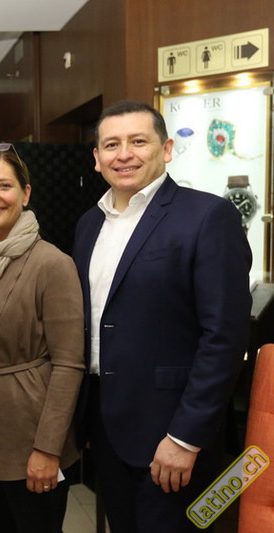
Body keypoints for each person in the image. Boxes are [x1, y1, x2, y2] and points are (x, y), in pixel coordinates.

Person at [73, 100, 252, 532]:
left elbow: (224, 336)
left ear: (166, 149)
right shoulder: (88, 224)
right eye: (111, 145)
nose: (124, 154)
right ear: (96, 158)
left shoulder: (207, 216)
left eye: (138, 141)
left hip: (172, 432)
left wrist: (185, 437)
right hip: (107, 426)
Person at [0, 143, 85, 532]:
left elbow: (69, 364)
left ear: (25, 193)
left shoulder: (52, 264)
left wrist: (47, 448)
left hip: (31, 435)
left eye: (4, 186)